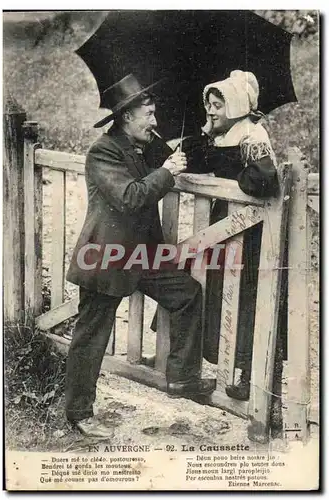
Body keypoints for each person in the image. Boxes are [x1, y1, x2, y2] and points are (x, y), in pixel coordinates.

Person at [65, 74, 216, 439]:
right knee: (91, 337)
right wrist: (166, 171)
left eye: (155, 113)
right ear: (126, 116)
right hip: (105, 257)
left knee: (186, 293)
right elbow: (131, 196)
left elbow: (178, 160)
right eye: (148, 114)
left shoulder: (143, 145)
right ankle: (79, 413)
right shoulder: (102, 151)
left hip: (141, 255)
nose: (155, 121)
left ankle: (181, 378)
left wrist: (206, 136)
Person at [181, 70, 286, 402]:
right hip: (224, 225)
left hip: (251, 231)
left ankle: (246, 374)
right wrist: (206, 132)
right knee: (212, 288)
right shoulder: (222, 133)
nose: (210, 111)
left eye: (217, 106)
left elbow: (264, 179)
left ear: (238, 105)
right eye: (208, 105)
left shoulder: (252, 135)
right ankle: (211, 366)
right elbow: (191, 158)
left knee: (247, 297)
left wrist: (232, 172)